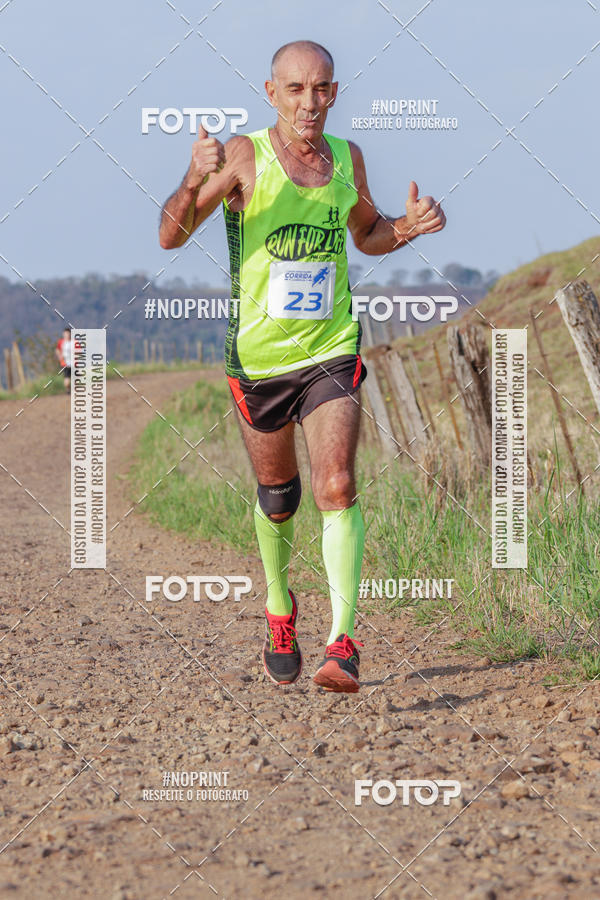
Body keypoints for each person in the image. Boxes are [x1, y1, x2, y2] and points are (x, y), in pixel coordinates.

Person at [159, 40, 446, 692]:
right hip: (258, 360)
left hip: (330, 350)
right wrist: (190, 178)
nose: (309, 102)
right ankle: (279, 605)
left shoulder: (347, 159)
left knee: (337, 487)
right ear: (271, 93)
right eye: (295, 90)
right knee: (281, 499)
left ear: (336, 93)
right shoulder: (243, 156)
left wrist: (408, 226)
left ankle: (342, 642)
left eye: (321, 89)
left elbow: (367, 232)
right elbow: (171, 234)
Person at [55, 327, 72, 394]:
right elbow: (57, 350)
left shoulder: (74, 342)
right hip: (65, 364)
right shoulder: (61, 342)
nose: (66, 335)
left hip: (74, 364)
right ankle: (68, 390)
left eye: (68, 334)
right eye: (65, 334)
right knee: (66, 381)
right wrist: (59, 356)